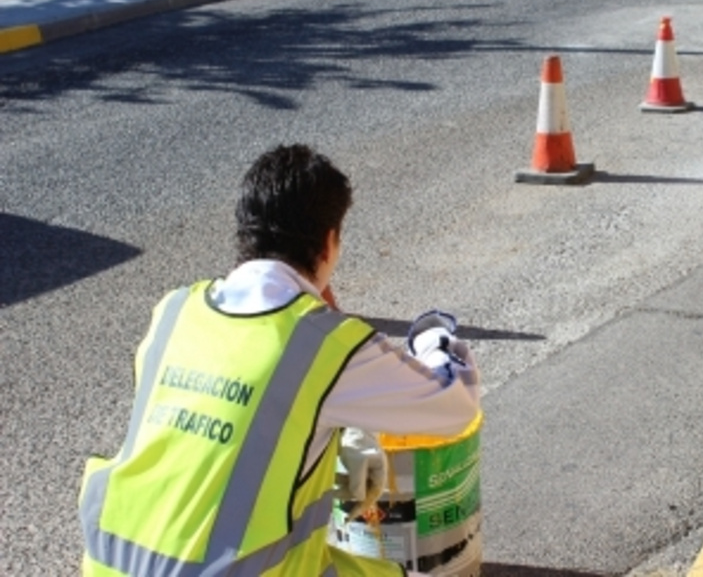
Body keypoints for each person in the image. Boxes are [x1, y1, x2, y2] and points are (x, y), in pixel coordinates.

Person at [78, 144, 480, 576]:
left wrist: (337, 439)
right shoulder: (323, 343)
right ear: (329, 242)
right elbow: (455, 407)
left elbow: (223, 423)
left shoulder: (174, 312)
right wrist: (434, 342)